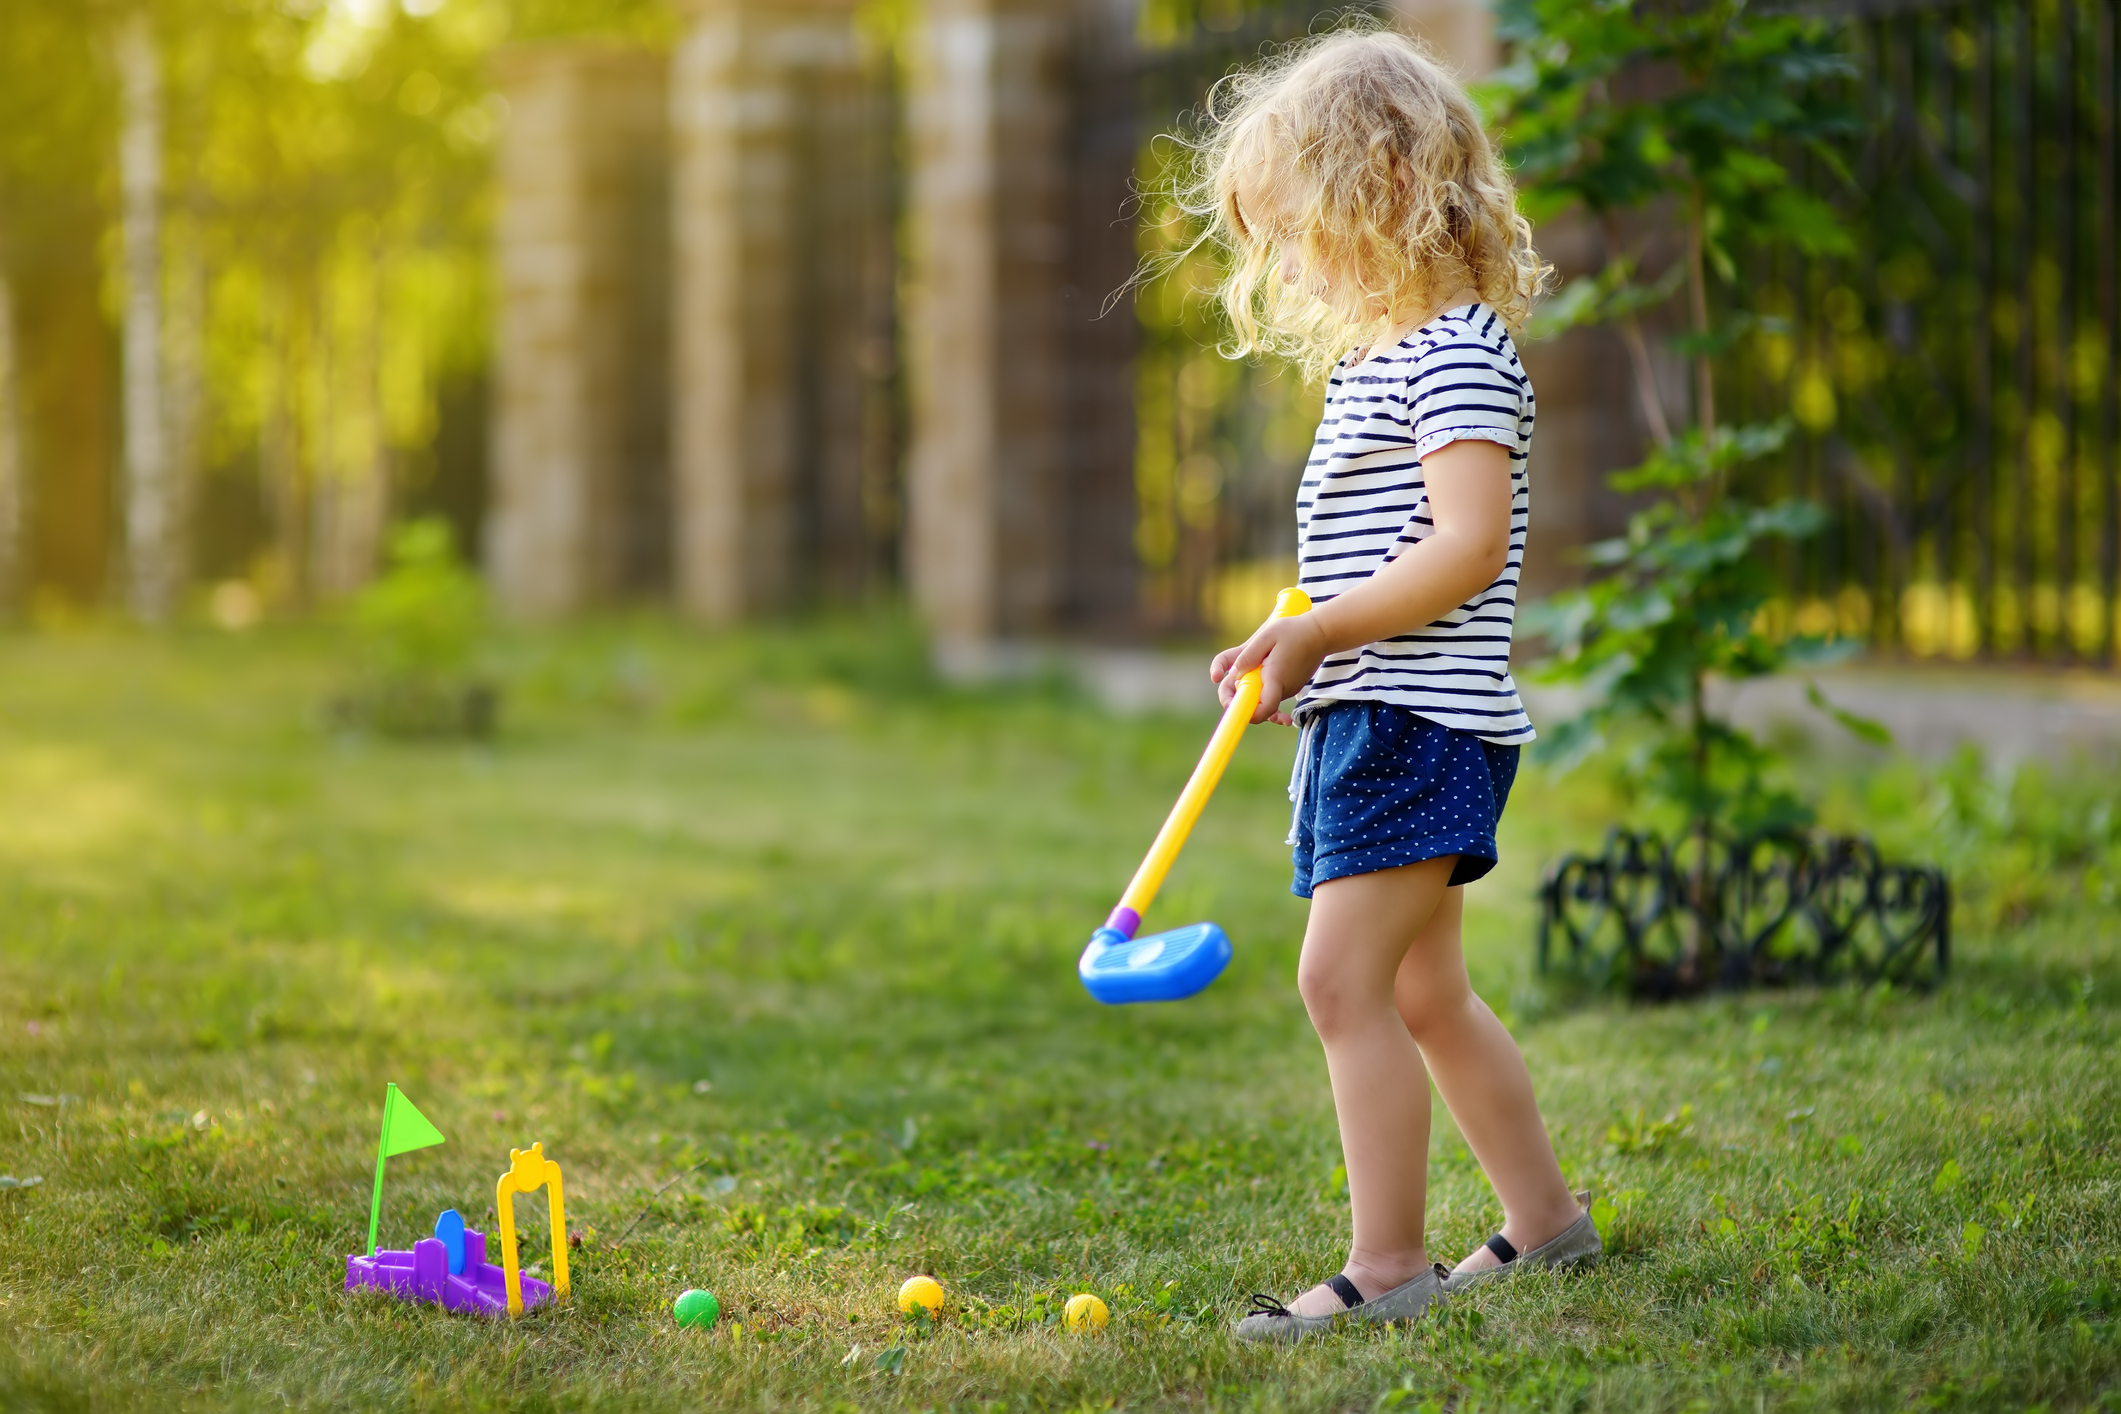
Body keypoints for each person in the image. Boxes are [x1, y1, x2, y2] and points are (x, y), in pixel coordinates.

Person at [1175, 26, 1600, 1341]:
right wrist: (1293, 635)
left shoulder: (1454, 352)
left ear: (1376, 192)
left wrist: (1330, 637)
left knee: (1338, 983)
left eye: (1294, 224)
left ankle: (1390, 1260)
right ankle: (1544, 1225)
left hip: (1420, 726)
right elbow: (1375, 560)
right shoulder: (1383, 358)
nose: (1285, 260)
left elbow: (1465, 546)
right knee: (1420, 991)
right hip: (1386, 712)